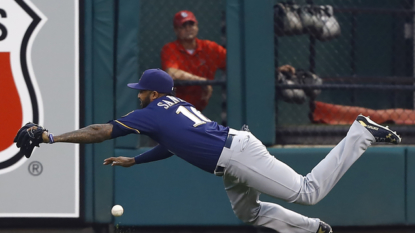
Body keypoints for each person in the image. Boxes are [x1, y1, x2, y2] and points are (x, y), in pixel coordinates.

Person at [29, 69, 401, 233]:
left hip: (238, 155)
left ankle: (360, 133)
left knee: (308, 191)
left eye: (141, 89)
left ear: (154, 94)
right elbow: (174, 145)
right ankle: (313, 231)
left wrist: (52, 139)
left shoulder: (151, 111)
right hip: (231, 159)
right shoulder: (175, 109)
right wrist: (136, 159)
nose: (138, 93)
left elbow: (100, 131)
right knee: (249, 214)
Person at [161, 10, 296, 111]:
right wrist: (202, 81)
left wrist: (273, 70)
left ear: (197, 26)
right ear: (176, 30)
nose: (188, 28)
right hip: (172, 109)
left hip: (196, 110)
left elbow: (239, 66)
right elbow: (171, 73)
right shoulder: (170, 48)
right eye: (183, 26)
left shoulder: (210, 48)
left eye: (191, 24)